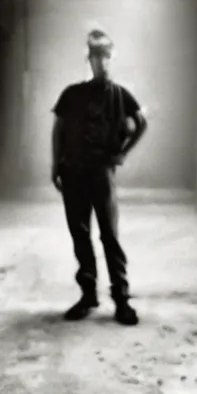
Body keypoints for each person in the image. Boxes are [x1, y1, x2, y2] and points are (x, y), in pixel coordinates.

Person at [51, 29, 147, 326]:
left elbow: (141, 122)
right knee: (80, 233)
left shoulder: (120, 95)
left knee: (109, 234)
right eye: (96, 57)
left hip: (101, 173)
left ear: (111, 59)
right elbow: (59, 129)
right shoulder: (72, 94)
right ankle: (88, 293)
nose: (101, 63)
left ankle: (121, 298)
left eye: (106, 57)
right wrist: (56, 165)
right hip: (73, 172)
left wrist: (123, 153)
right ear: (89, 60)